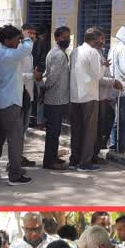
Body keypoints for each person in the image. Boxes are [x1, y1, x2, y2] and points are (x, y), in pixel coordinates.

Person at [0, 24, 33, 186]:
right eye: (16, 39)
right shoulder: (10, 54)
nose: (19, 41)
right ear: (7, 40)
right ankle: (15, 175)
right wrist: (25, 36)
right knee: (15, 139)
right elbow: (27, 48)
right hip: (10, 102)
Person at [69, 27, 121, 172]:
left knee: (77, 130)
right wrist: (104, 66)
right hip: (89, 96)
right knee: (89, 132)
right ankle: (85, 163)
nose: (102, 42)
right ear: (95, 39)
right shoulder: (92, 52)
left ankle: (74, 160)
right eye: (101, 39)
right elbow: (98, 76)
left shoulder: (75, 50)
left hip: (75, 95)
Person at [38, 25, 70, 170]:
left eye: (68, 38)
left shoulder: (57, 52)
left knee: (55, 132)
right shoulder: (58, 54)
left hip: (57, 98)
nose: (67, 40)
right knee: (53, 132)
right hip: (55, 99)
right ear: (56, 38)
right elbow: (52, 77)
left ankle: (52, 157)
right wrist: (44, 86)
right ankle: (49, 162)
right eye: (64, 37)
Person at [19, 23, 37, 167]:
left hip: (28, 95)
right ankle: (15, 160)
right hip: (19, 95)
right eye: (29, 32)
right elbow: (18, 75)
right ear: (22, 32)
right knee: (18, 130)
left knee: (23, 129)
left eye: (33, 33)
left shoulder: (29, 52)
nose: (31, 35)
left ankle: (20, 156)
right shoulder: (19, 50)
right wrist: (33, 75)